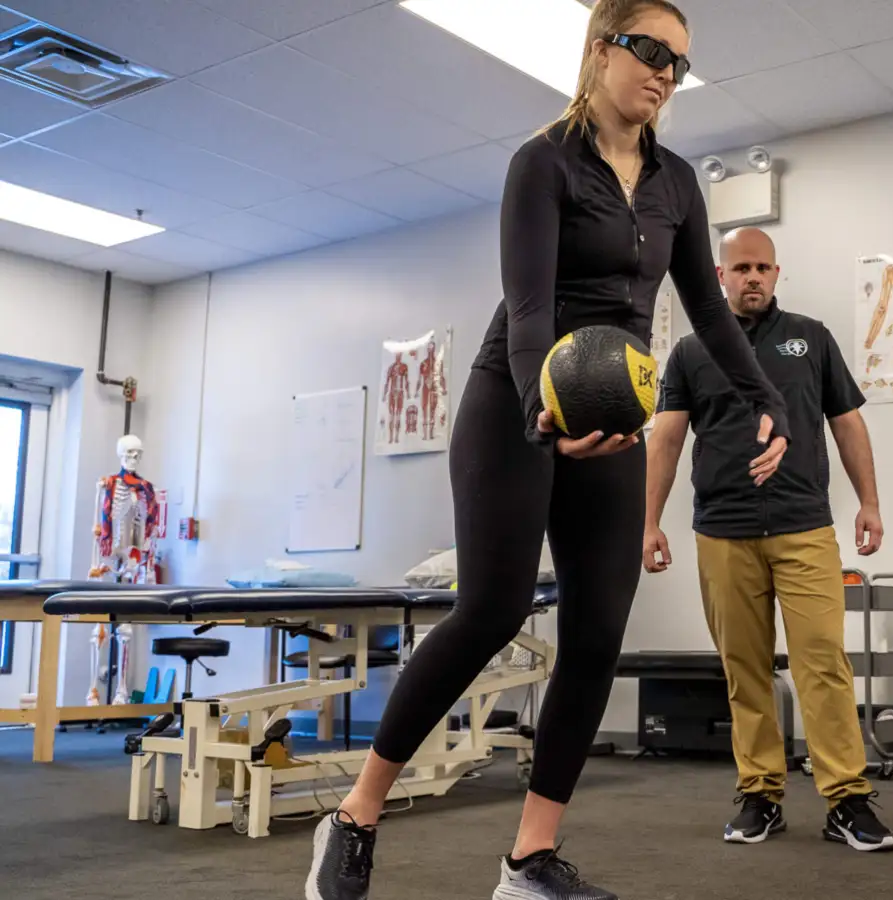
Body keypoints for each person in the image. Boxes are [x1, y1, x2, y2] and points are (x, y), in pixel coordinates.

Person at [304, 3, 791, 899]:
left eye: (679, 63)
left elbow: (709, 311)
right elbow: (528, 310)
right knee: (491, 609)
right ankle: (356, 814)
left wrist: (764, 398)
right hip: (515, 400)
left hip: (613, 407)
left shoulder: (678, 183)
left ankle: (528, 860)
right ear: (602, 48)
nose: (664, 75)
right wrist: (544, 409)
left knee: (598, 631)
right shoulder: (544, 162)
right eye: (650, 52)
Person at [642, 226, 893, 852]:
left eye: (763, 267)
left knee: (823, 665)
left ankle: (847, 800)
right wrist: (647, 522)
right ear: (721, 276)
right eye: (741, 268)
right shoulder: (690, 351)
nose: (753, 277)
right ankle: (760, 794)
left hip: (804, 525)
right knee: (745, 671)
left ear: (776, 275)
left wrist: (869, 502)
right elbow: (668, 438)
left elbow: (847, 421)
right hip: (722, 533)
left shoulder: (811, 338)